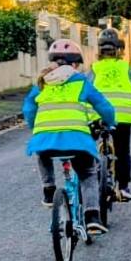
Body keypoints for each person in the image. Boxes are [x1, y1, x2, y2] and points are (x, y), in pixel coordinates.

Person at [24, 38, 115, 233]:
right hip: (76, 139)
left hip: (46, 138)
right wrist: (110, 122)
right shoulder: (81, 82)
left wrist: (37, 129)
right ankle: (92, 217)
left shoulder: (42, 83)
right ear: (75, 64)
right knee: (88, 174)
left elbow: (29, 109)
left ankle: (49, 190)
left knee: (42, 153)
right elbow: (103, 106)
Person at [89, 27, 131, 201]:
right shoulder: (126, 68)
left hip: (97, 115)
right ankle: (124, 187)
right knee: (122, 150)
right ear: (119, 49)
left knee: (89, 146)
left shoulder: (94, 69)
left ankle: (89, 178)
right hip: (122, 115)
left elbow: (84, 91)